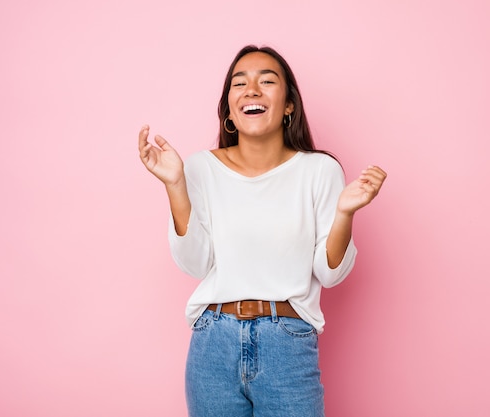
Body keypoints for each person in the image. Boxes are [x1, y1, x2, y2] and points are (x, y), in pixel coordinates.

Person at [138, 45, 386, 417]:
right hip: (213, 343)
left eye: (267, 81)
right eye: (239, 83)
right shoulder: (199, 168)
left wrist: (345, 213)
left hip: (287, 344)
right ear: (230, 109)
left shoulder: (319, 171)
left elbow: (329, 274)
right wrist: (175, 185)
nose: (251, 89)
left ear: (289, 104)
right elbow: (195, 263)